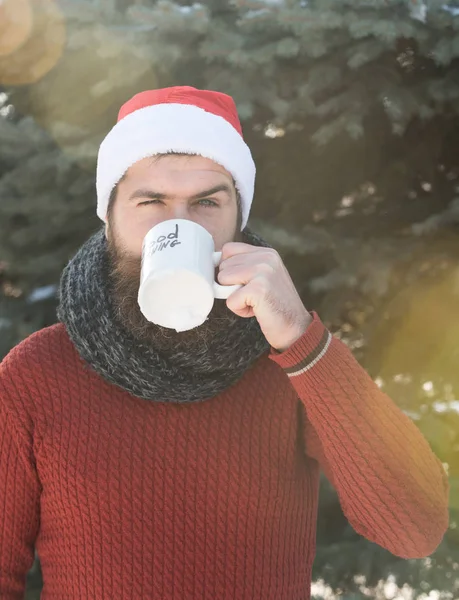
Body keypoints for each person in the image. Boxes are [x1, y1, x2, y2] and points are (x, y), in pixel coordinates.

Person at [0, 86, 449, 600]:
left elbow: (415, 528)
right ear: (109, 218)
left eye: (207, 202)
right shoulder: (36, 374)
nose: (180, 224)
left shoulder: (292, 361)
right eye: (151, 201)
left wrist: (301, 339)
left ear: (237, 220)